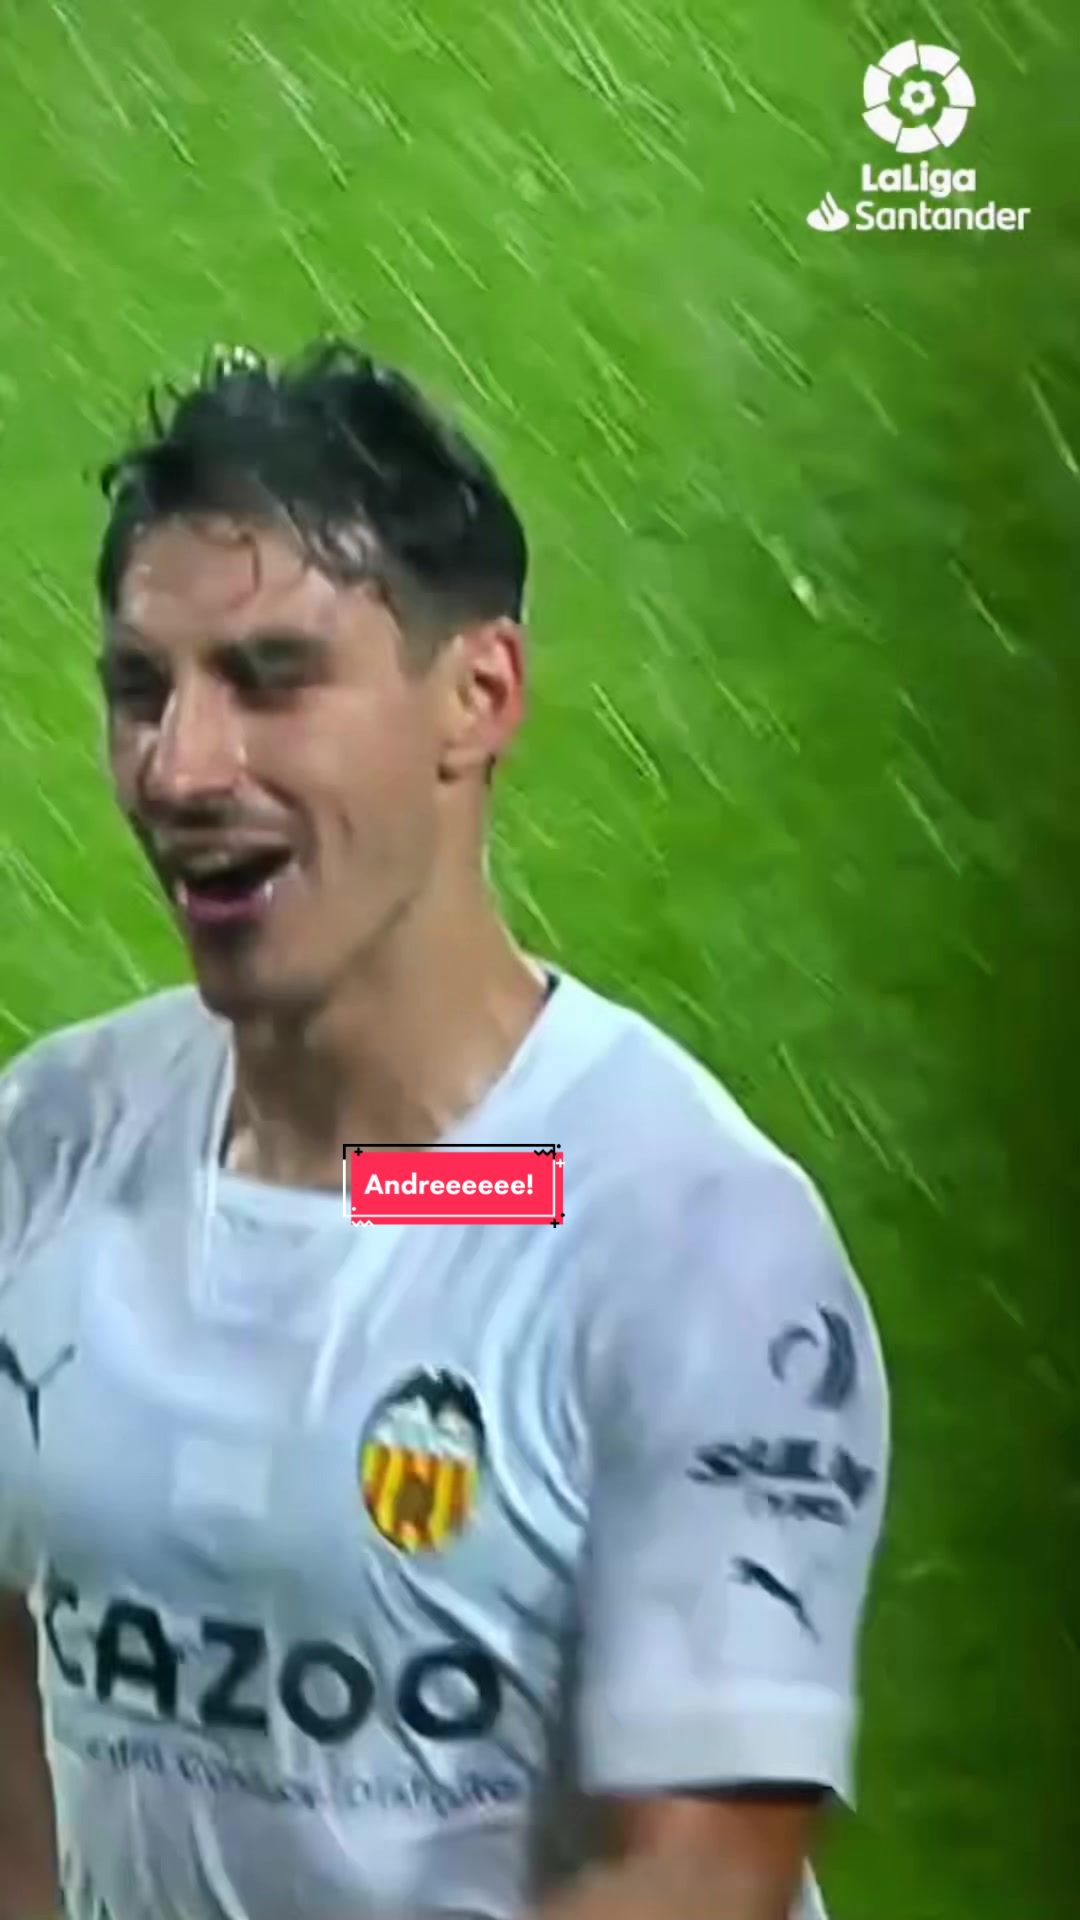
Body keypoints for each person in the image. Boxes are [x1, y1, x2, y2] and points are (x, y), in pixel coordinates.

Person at [0, 341, 889, 1920]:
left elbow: (702, 1873)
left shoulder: (690, 1243)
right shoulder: (46, 1147)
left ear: (477, 698)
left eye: (272, 678)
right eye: (141, 690)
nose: (180, 768)